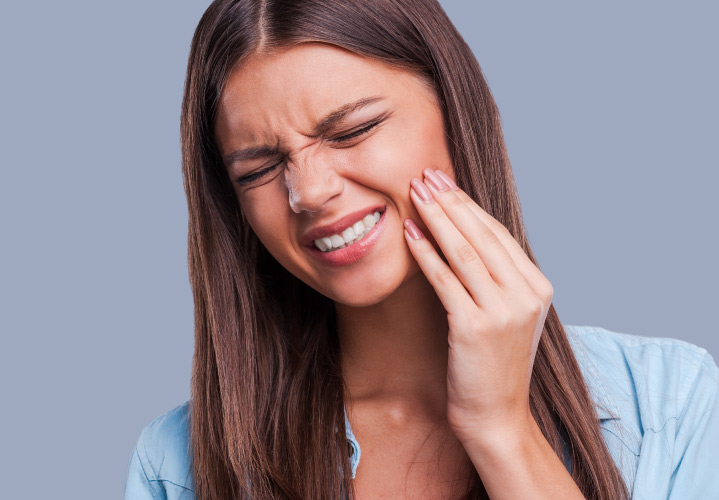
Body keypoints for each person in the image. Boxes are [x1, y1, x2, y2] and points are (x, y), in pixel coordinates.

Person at [124, 1, 719, 499]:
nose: (307, 192)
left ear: (455, 112)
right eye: (259, 169)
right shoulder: (176, 469)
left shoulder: (668, 405)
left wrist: (501, 430)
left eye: (351, 131)